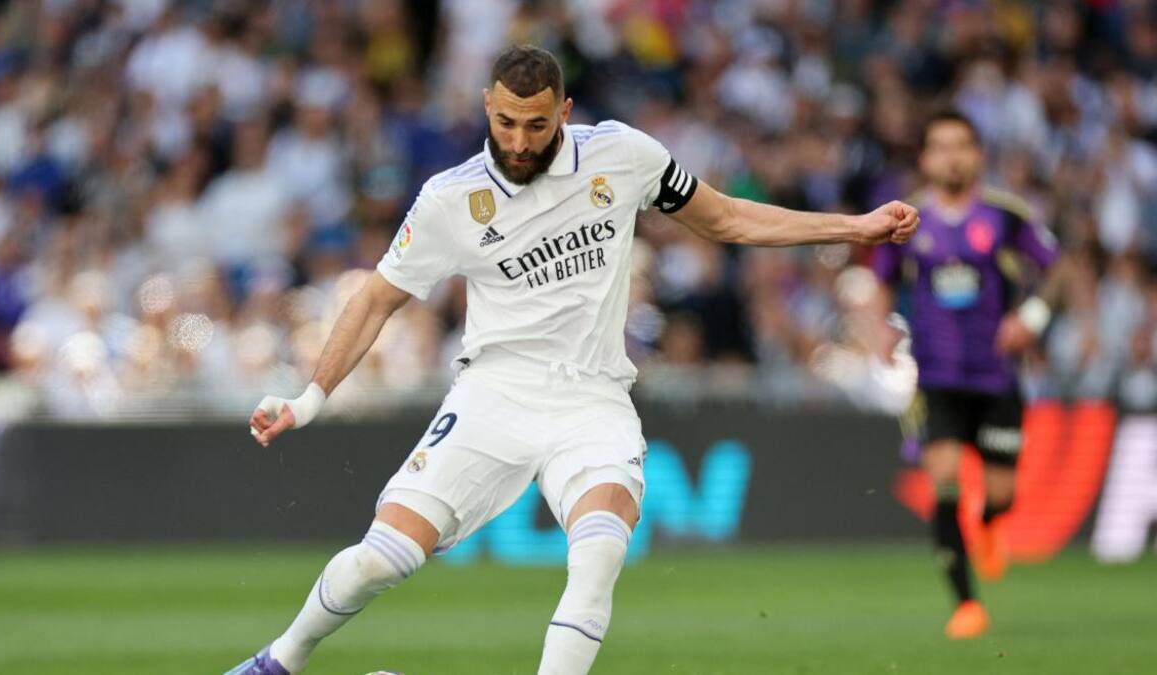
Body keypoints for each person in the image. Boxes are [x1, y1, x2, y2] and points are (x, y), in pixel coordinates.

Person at [227, 45, 919, 675]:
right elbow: (376, 299)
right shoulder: (449, 199)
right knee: (374, 564)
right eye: (505, 123)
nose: (519, 141)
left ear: (563, 110)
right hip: (492, 394)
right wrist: (307, 397)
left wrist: (853, 227)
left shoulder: (622, 156)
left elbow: (728, 218)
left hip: (593, 399)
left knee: (598, 556)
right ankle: (278, 661)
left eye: (534, 124)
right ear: (486, 109)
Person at [872, 109, 1059, 640]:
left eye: (962, 145)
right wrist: (885, 328)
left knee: (1001, 492)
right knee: (945, 478)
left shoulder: (1006, 215)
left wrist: (1032, 317)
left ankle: (991, 524)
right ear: (926, 158)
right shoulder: (907, 219)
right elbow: (880, 281)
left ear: (977, 155)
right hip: (936, 375)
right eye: (941, 146)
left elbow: (1057, 270)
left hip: (997, 376)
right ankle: (966, 605)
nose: (952, 156)